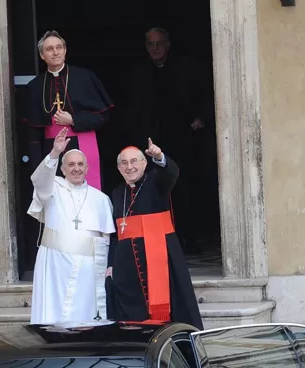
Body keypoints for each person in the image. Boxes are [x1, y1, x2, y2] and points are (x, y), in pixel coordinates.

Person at [20, 30, 113, 276]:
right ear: (42, 55)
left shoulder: (84, 77)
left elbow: (104, 116)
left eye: (59, 47)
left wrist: (75, 119)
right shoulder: (34, 86)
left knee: (87, 200)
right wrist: (38, 166)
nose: (55, 52)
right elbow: (33, 130)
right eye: (49, 49)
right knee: (56, 203)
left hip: (83, 143)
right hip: (52, 149)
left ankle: (94, 250)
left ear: (65, 50)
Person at [123, 27, 211, 255]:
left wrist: (201, 118)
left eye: (159, 44)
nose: (155, 48)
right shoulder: (138, 73)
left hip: (183, 138)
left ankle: (189, 239)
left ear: (168, 45)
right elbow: (132, 107)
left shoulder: (186, 67)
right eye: (150, 44)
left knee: (185, 189)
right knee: (151, 190)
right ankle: (155, 241)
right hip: (149, 143)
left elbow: (205, 94)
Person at [107, 139, 203, 328]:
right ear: (119, 168)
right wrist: (111, 264)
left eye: (134, 161)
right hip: (128, 268)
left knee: (172, 307)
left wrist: (159, 157)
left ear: (144, 163)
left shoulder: (156, 182)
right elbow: (114, 234)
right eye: (124, 163)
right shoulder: (117, 193)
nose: (130, 167)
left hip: (162, 260)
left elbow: (170, 172)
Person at [28, 128, 114, 324]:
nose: (76, 168)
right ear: (62, 169)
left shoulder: (100, 199)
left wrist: (107, 265)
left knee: (86, 317)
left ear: (87, 168)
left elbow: (106, 238)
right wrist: (55, 153)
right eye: (71, 165)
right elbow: (39, 180)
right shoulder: (52, 187)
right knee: (54, 314)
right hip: (55, 266)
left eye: (80, 164)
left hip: (88, 269)